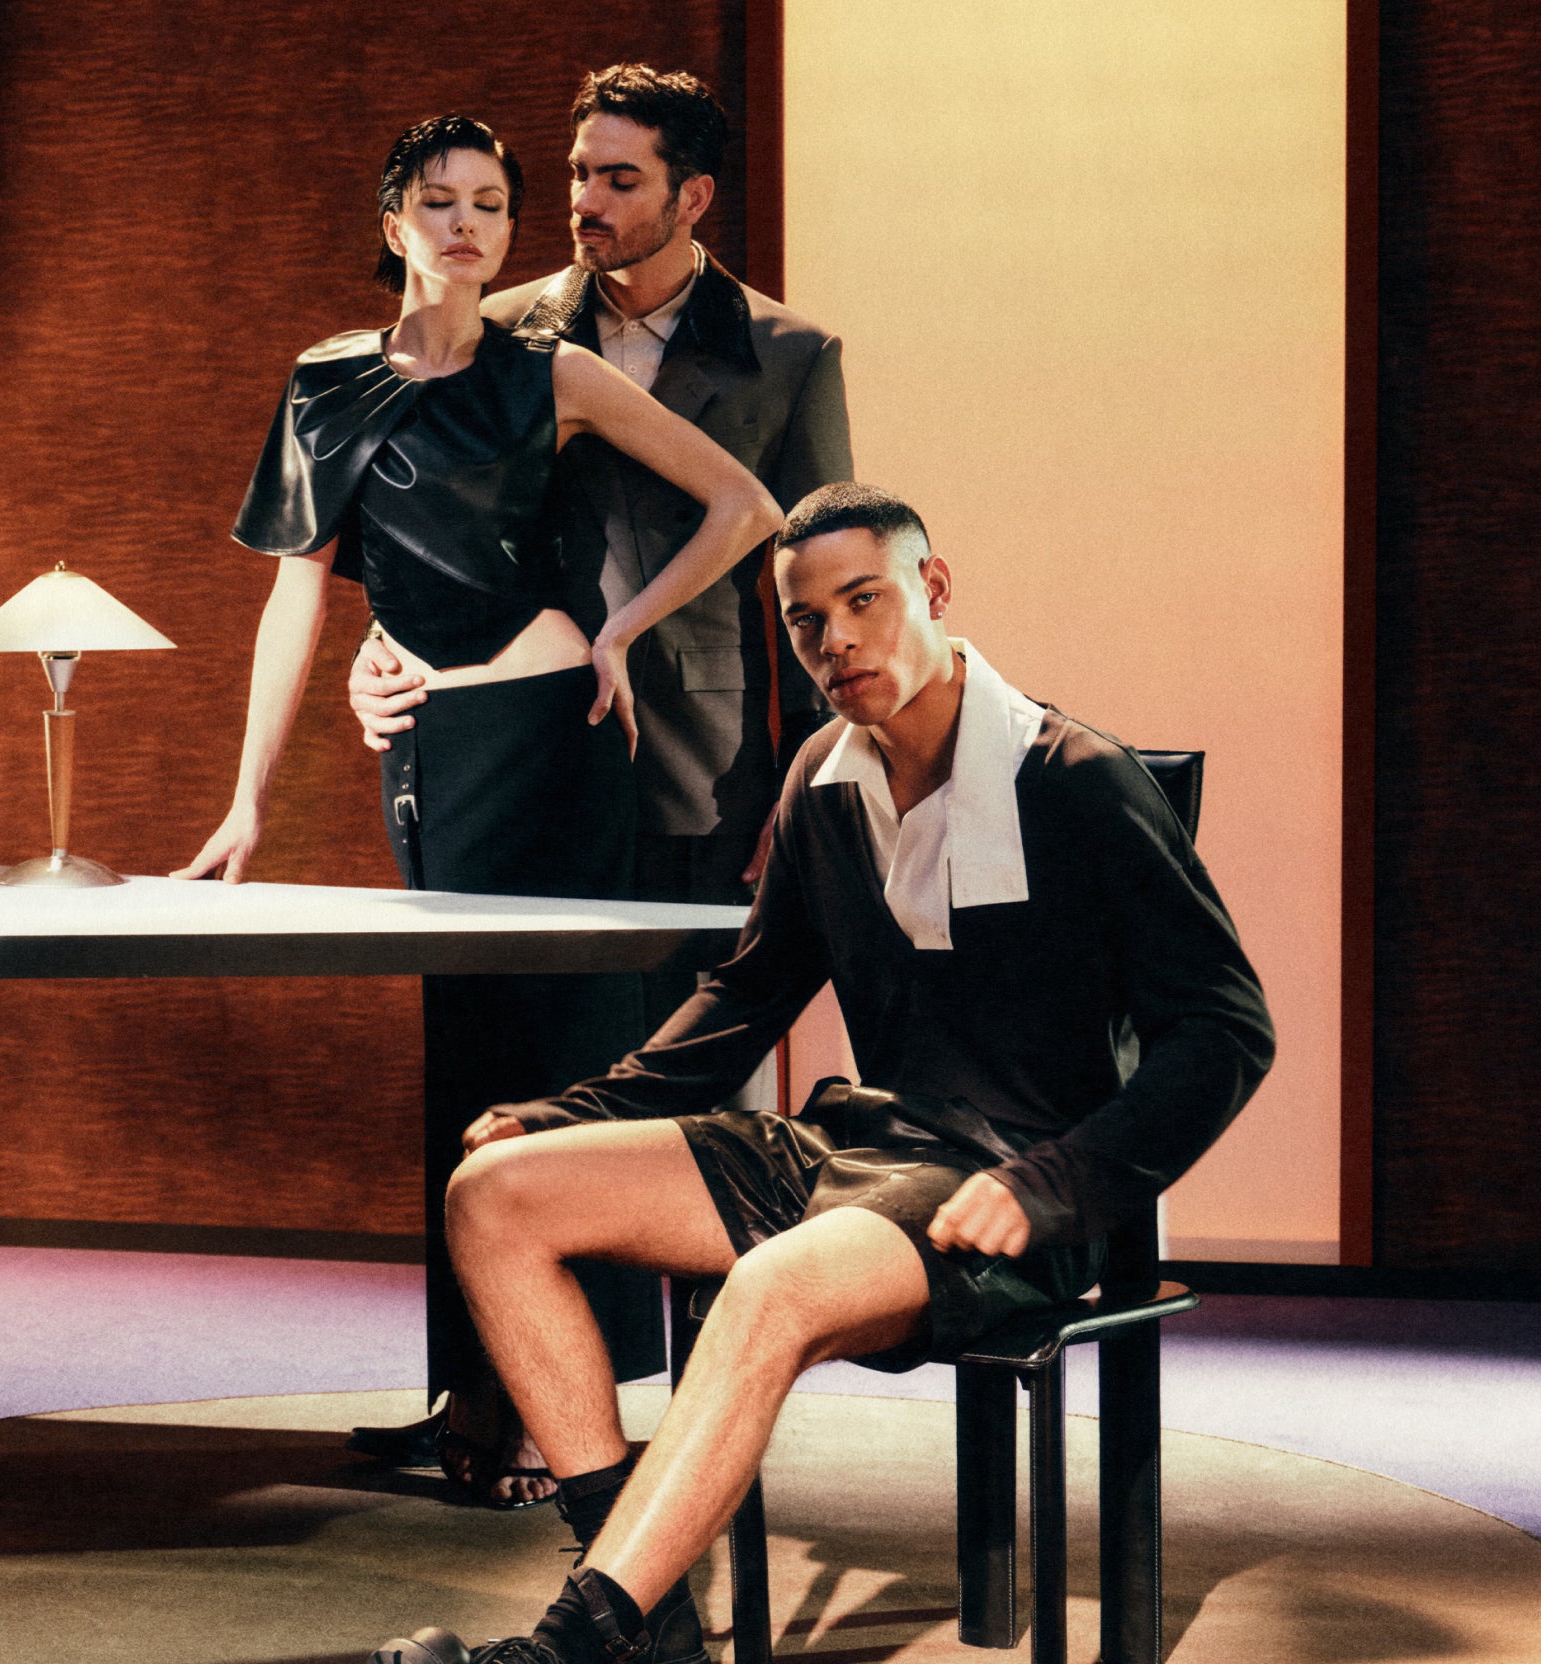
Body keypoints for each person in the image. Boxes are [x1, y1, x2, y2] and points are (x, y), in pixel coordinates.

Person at [366, 484, 1276, 1664]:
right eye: (806, 622)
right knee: (494, 1193)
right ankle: (647, 1617)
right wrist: (569, 1112)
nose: (835, 640)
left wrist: (1059, 1183)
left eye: (863, 600)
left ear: (932, 590)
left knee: (764, 1290)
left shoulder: (1075, 778)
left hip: (1002, 1186)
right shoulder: (820, 778)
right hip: (855, 1147)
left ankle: (573, 1643)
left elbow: (1226, 1028)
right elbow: (749, 994)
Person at [172, 114, 782, 1505]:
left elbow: (743, 506)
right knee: (465, 1065)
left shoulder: (550, 370)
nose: (468, 226)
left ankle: (548, 1415)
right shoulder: (324, 381)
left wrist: (621, 629)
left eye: (493, 205)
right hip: (430, 758)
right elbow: (294, 598)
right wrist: (246, 802)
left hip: (557, 746)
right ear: (394, 223)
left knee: (560, 1067)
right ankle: (473, 1388)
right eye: (441, 202)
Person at [345, 63, 856, 1506]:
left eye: (617, 178)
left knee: (670, 1094)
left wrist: (812, 778)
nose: (582, 200)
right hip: (515, 754)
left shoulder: (790, 352)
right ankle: (486, 1394)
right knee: (494, 1074)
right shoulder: (504, 325)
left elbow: (820, 569)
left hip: (699, 765)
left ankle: (689, 1422)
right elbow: (428, 544)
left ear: (694, 197)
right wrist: (373, 664)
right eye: (576, 173)